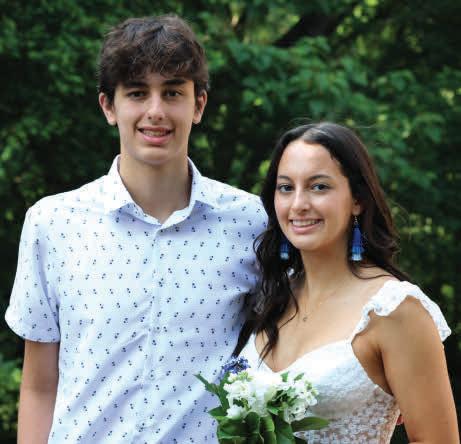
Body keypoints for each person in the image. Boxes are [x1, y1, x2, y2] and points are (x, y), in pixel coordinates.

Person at [6, 15, 266, 443]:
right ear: (109, 106)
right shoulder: (52, 223)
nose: (155, 111)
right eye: (137, 93)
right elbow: (38, 386)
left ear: (199, 105)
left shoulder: (252, 223)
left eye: (173, 92)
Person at [235, 122, 459, 443]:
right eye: (285, 187)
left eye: (318, 187)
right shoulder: (272, 295)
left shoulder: (394, 308)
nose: (298, 204)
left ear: (357, 199)